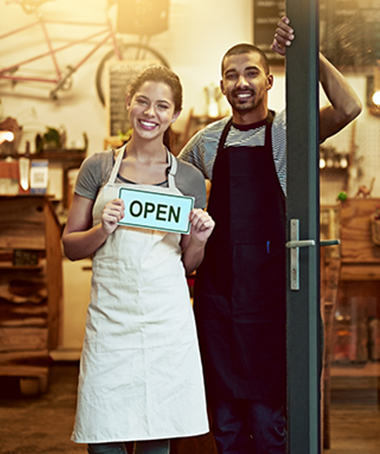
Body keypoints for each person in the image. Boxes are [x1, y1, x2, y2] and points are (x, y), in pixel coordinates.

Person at [179, 16, 362, 454]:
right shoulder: (205, 143)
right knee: (224, 420)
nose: (241, 83)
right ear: (221, 86)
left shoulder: (289, 131)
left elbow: (350, 107)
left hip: (276, 295)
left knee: (268, 421)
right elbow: (171, 184)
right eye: (231, 75)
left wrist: (308, 53)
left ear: (269, 80)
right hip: (220, 299)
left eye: (251, 73)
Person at [63, 65, 215, 454]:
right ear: (129, 104)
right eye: (143, 102)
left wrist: (198, 239)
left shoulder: (189, 179)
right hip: (111, 322)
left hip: (165, 322)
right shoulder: (97, 168)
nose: (151, 113)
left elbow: (188, 264)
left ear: (175, 114)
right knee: (103, 435)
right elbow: (69, 246)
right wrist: (102, 230)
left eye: (162, 106)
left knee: (156, 436)